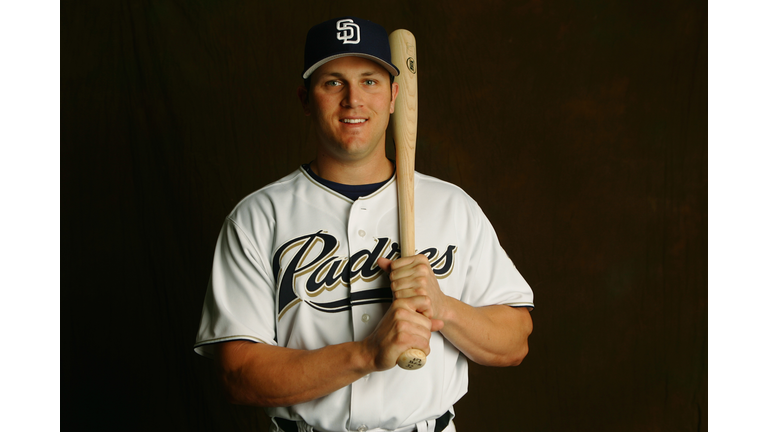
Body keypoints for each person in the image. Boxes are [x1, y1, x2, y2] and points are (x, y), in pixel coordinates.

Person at [194, 16, 534, 432]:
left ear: (395, 96)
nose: (353, 99)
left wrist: (444, 308)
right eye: (333, 82)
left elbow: (515, 341)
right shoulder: (257, 218)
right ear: (305, 98)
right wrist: (366, 354)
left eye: (370, 81)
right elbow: (238, 375)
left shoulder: (452, 206)